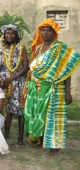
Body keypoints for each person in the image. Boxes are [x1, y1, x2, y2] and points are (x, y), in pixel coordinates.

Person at [22, 18, 80, 156]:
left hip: (55, 87)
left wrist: (67, 91)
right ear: (40, 32)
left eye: (49, 30)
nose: (46, 33)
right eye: (43, 30)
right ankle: (40, 141)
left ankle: (54, 146)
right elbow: (33, 69)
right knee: (38, 114)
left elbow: (67, 71)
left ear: (54, 33)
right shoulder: (37, 48)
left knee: (53, 116)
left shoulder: (60, 48)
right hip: (37, 87)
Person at [0, 24, 28, 145]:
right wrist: (0, 78)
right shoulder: (3, 48)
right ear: (4, 35)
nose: (9, 35)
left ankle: (20, 138)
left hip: (18, 80)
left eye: (12, 33)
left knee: (20, 110)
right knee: (7, 108)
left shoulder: (21, 47)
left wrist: (12, 78)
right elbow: (1, 66)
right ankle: (6, 134)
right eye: (7, 33)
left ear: (16, 35)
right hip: (5, 81)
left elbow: (25, 67)